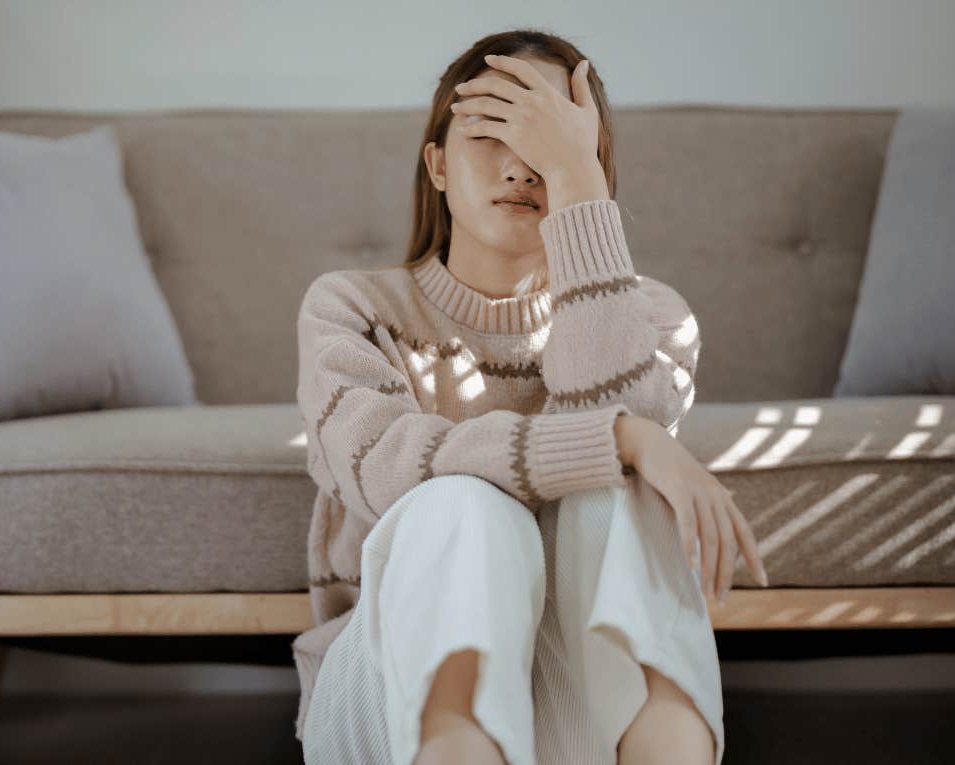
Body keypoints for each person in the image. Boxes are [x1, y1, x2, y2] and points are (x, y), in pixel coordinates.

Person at [291, 29, 769, 765]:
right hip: (390, 702)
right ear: (438, 165)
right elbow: (388, 471)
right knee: (463, 503)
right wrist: (622, 440)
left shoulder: (654, 317)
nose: (521, 166)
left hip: (586, 704)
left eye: (548, 139)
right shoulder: (350, 308)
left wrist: (579, 189)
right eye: (492, 131)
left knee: (625, 496)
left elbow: (622, 428)